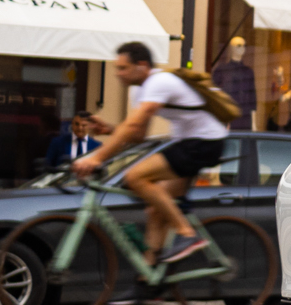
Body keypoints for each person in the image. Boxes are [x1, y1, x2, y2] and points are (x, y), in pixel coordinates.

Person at [75, 43, 226, 264]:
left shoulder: (159, 82)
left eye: (123, 68)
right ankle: (149, 284)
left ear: (142, 65)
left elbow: (134, 123)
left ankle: (187, 234)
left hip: (205, 142)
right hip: (188, 143)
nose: (118, 74)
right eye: (117, 68)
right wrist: (109, 129)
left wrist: (97, 158)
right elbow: (138, 134)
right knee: (155, 211)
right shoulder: (138, 90)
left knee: (135, 176)